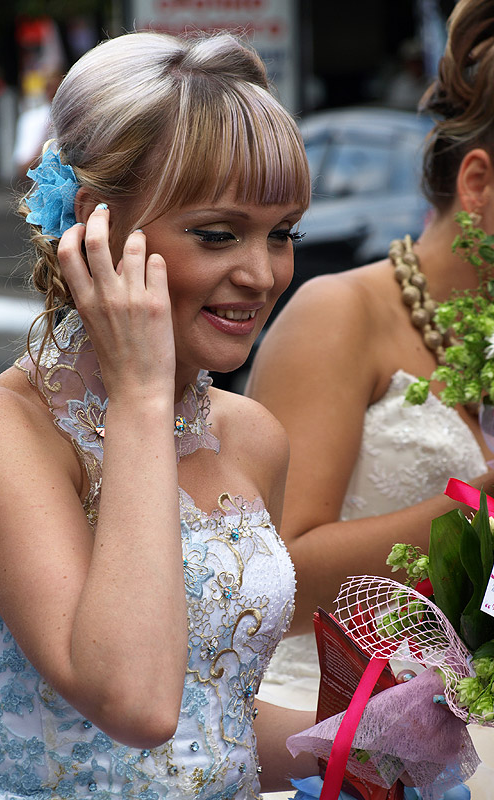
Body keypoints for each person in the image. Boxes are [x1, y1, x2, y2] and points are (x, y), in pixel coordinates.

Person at [0, 31, 323, 799]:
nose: (262, 273)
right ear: (97, 224)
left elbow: (214, 735)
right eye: (218, 233)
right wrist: (143, 395)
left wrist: (360, 738)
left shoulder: (252, 436)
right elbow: (135, 704)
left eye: (283, 233)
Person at [246, 1, 494, 798]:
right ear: (479, 183)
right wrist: (479, 509)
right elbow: (274, 578)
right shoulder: (339, 313)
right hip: (328, 732)